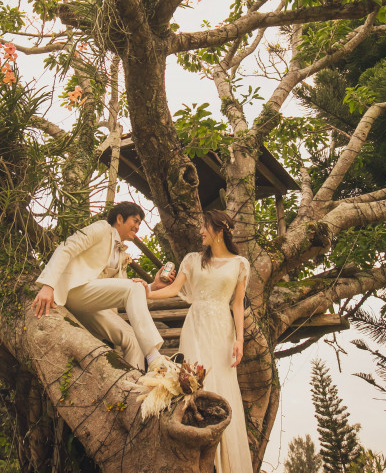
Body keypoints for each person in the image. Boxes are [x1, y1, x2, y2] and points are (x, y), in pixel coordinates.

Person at [148, 210, 253, 473]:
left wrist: (239, 339)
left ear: (220, 230)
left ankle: (226, 463)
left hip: (223, 329)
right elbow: (172, 290)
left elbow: (237, 304)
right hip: (195, 325)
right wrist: (145, 292)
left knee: (223, 385)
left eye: (205, 227)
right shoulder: (193, 260)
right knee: (193, 384)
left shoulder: (240, 263)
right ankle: (197, 458)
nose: (200, 232)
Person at [32, 201, 165, 371]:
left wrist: (153, 286)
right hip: (75, 291)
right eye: (135, 220)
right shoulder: (102, 228)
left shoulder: (121, 253)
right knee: (133, 287)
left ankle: (133, 388)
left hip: (93, 305)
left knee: (134, 339)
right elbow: (67, 248)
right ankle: (154, 357)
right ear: (119, 218)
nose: (138, 227)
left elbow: (124, 292)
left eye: (139, 223)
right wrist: (48, 285)